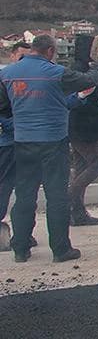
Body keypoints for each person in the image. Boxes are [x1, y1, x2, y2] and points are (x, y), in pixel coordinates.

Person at [0, 35, 98, 263]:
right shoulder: (56, 73)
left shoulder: (7, 74)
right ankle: (61, 249)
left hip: (23, 143)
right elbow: (87, 80)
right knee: (56, 196)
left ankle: (21, 248)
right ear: (50, 50)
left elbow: (4, 107)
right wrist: (97, 67)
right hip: (53, 142)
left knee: (25, 195)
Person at [68, 36, 98, 226]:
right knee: (96, 166)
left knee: (81, 168)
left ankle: (77, 213)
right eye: (96, 49)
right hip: (83, 129)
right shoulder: (81, 70)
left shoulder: (80, 68)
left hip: (82, 127)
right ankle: (69, 201)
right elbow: (83, 96)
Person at [0, 42, 33, 252]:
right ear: (12, 56)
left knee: (24, 188)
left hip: (23, 140)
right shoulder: (5, 80)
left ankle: (23, 234)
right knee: (6, 185)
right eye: (21, 57)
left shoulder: (28, 80)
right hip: (9, 142)